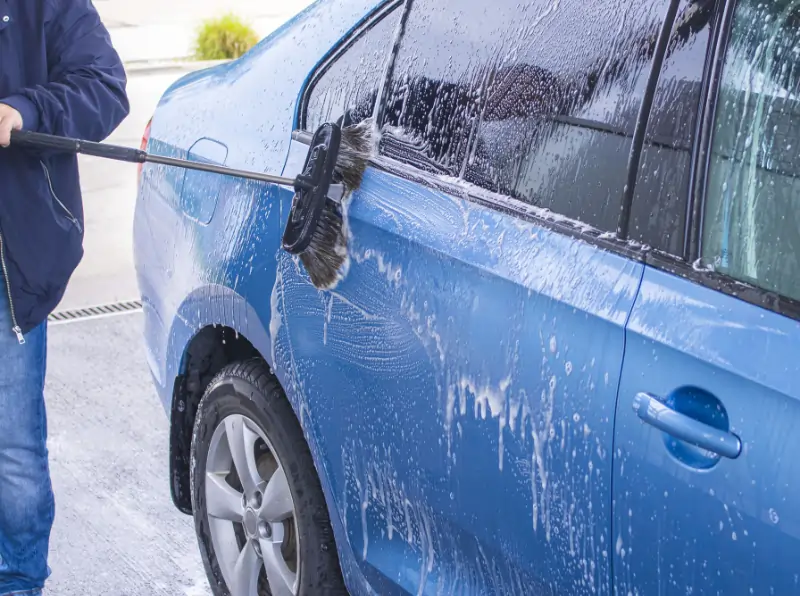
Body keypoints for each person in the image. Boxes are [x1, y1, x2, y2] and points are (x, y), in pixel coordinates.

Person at [0, 1, 129, 594]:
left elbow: (103, 86)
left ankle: (20, 579)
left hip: (10, 264)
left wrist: (23, 110)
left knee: (13, 449)